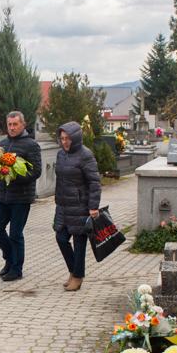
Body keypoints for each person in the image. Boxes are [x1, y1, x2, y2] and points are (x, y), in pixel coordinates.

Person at [0, 111, 42, 281]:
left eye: (15, 124)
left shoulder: (31, 145)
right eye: (10, 124)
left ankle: (16, 269)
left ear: (23, 125)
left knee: (16, 234)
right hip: (3, 197)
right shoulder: (4, 143)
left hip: (21, 198)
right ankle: (9, 259)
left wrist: (15, 175)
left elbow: (36, 171)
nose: (12, 127)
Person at [53, 121, 102, 292]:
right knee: (60, 238)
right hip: (64, 205)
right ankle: (73, 271)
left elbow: (94, 182)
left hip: (81, 205)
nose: (64, 142)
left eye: (68, 138)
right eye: (62, 138)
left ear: (75, 138)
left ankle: (78, 276)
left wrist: (93, 206)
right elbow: (59, 180)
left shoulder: (85, 155)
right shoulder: (60, 155)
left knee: (79, 242)